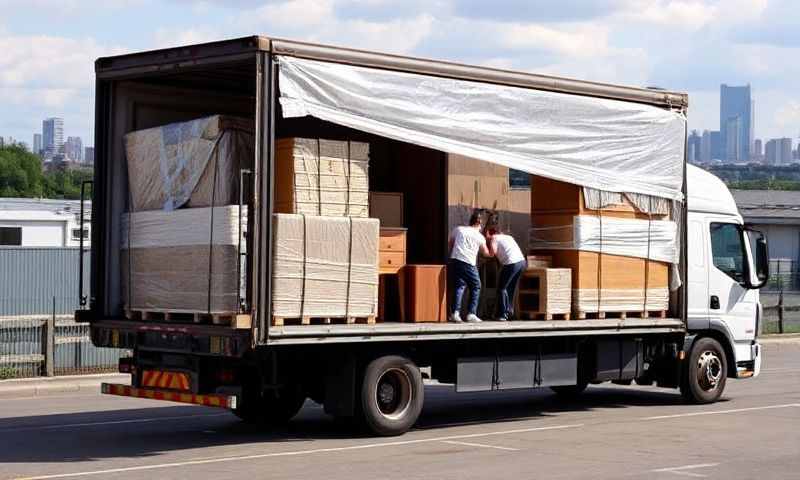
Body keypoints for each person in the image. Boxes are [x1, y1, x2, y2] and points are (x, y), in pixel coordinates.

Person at [448, 210, 492, 323]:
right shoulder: (479, 236)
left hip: (455, 260)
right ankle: (471, 314)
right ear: (479, 223)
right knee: (476, 285)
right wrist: (490, 243)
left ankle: (455, 313)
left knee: (459, 286)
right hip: (468, 262)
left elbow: (451, 243)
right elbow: (486, 253)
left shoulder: (459, 229)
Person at [486, 225, 526, 321]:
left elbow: (492, 253)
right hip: (521, 262)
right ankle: (509, 312)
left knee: (501, 288)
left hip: (511, 263)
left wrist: (486, 251)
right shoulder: (508, 237)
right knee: (510, 288)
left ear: (490, 233)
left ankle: (502, 314)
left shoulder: (494, 238)